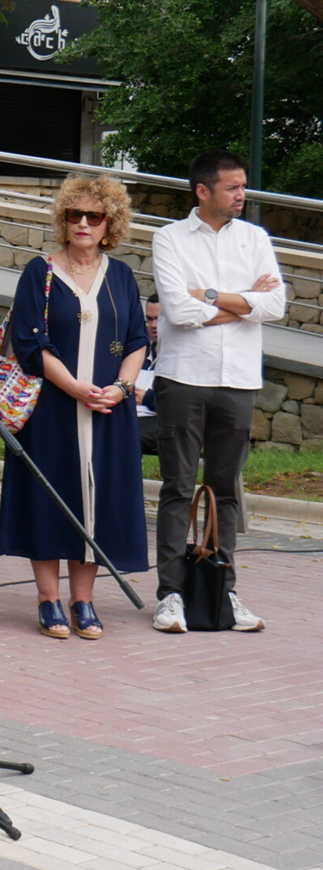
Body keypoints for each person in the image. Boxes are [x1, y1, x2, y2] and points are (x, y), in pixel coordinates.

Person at [0, 175, 150, 641]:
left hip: (109, 410)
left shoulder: (120, 275)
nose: (82, 223)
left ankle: (84, 600)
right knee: (49, 496)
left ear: (110, 222)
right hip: (52, 409)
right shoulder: (38, 272)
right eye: (73, 214)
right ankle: (48, 599)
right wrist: (76, 387)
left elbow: (138, 340)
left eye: (93, 216)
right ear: (63, 219)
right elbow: (28, 343)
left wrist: (121, 389)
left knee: (98, 500)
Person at [150, 150, 286, 634]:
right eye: (233, 188)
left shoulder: (255, 238)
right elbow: (177, 312)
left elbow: (277, 304)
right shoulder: (168, 238)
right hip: (185, 375)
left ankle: (223, 591)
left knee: (227, 490)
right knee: (178, 488)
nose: (241, 196)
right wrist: (243, 301)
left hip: (240, 379)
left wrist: (206, 294)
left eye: (243, 186)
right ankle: (170, 595)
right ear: (202, 191)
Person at [137, 295, 161, 456]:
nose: (153, 325)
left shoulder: (187, 356)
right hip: (129, 415)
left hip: (161, 421)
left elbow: (186, 404)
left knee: (128, 437)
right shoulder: (138, 349)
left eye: (159, 319)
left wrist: (147, 398)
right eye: (149, 319)